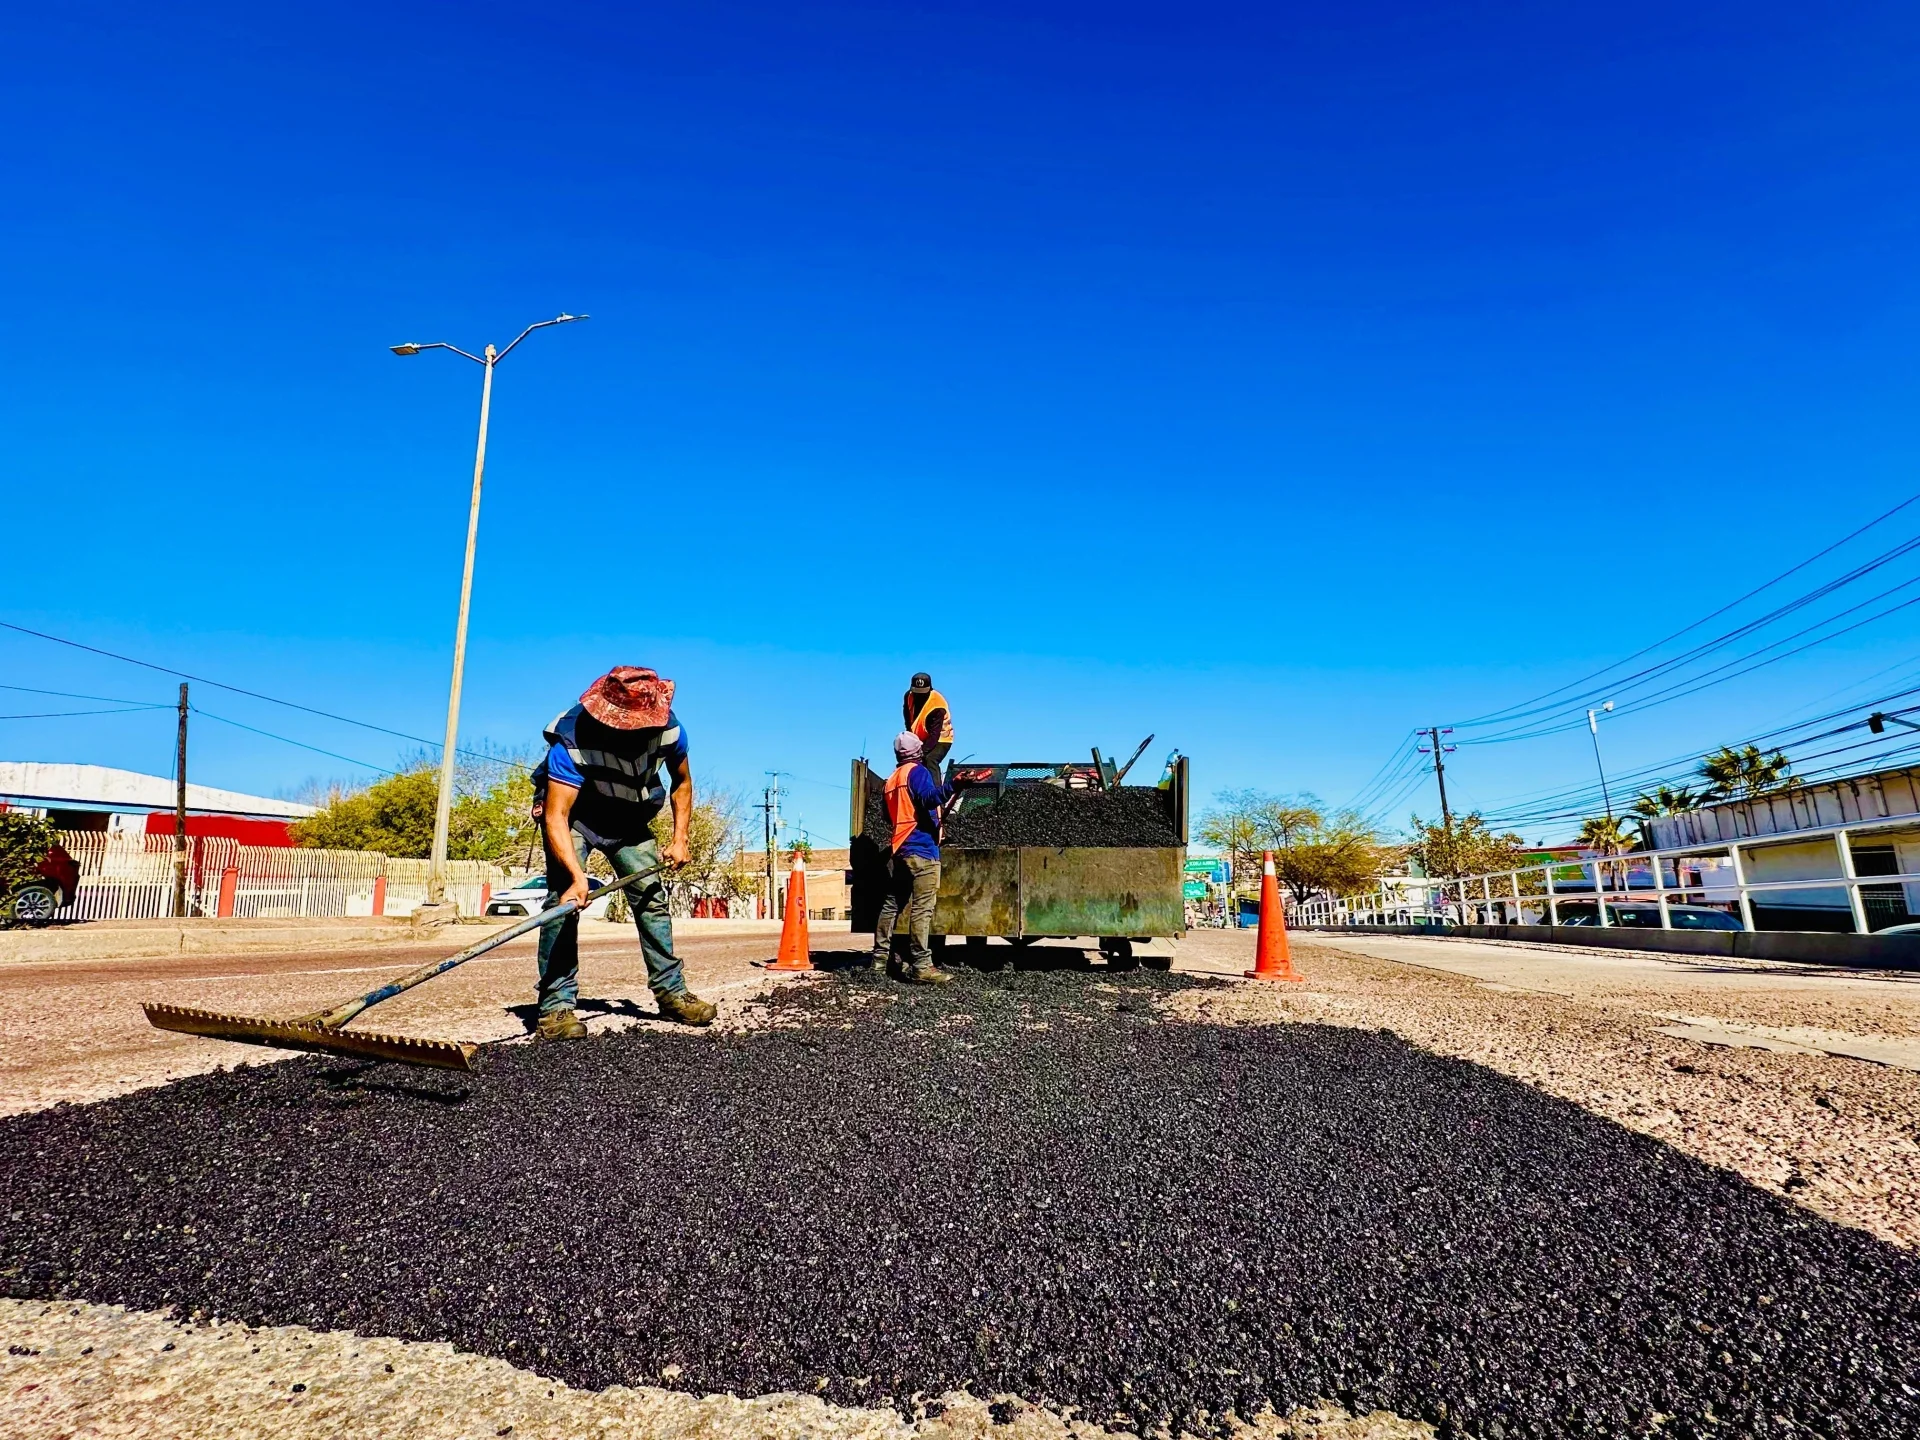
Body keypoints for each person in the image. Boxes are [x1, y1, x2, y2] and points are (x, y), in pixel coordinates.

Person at [530, 665, 717, 1037]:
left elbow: (682, 783)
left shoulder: (669, 730)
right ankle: (555, 1007)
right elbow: (556, 816)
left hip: (629, 818)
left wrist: (681, 838)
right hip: (577, 818)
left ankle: (671, 992)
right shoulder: (571, 738)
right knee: (563, 905)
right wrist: (576, 878)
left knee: (651, 900)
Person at [870, 730, 953, 984]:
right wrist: (953, 786)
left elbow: (887, 816)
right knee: (922, 909)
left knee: (891, 904)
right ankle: (921, 966)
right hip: (922, 850)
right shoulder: (917, 773)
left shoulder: (892, 780)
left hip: (900, 849)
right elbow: (929, 799)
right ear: (918, 752)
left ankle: (878, 960)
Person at [902, 672, 954, 772]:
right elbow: (907, 717)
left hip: (941, 738)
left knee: (930, 759)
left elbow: (934, 736)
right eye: (917, 692)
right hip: (920, 736)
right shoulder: (908, 696)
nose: (919, 696)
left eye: (922, 693)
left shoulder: (937, 705)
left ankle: (935, 787)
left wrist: (919, 754)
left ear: (930, 689)